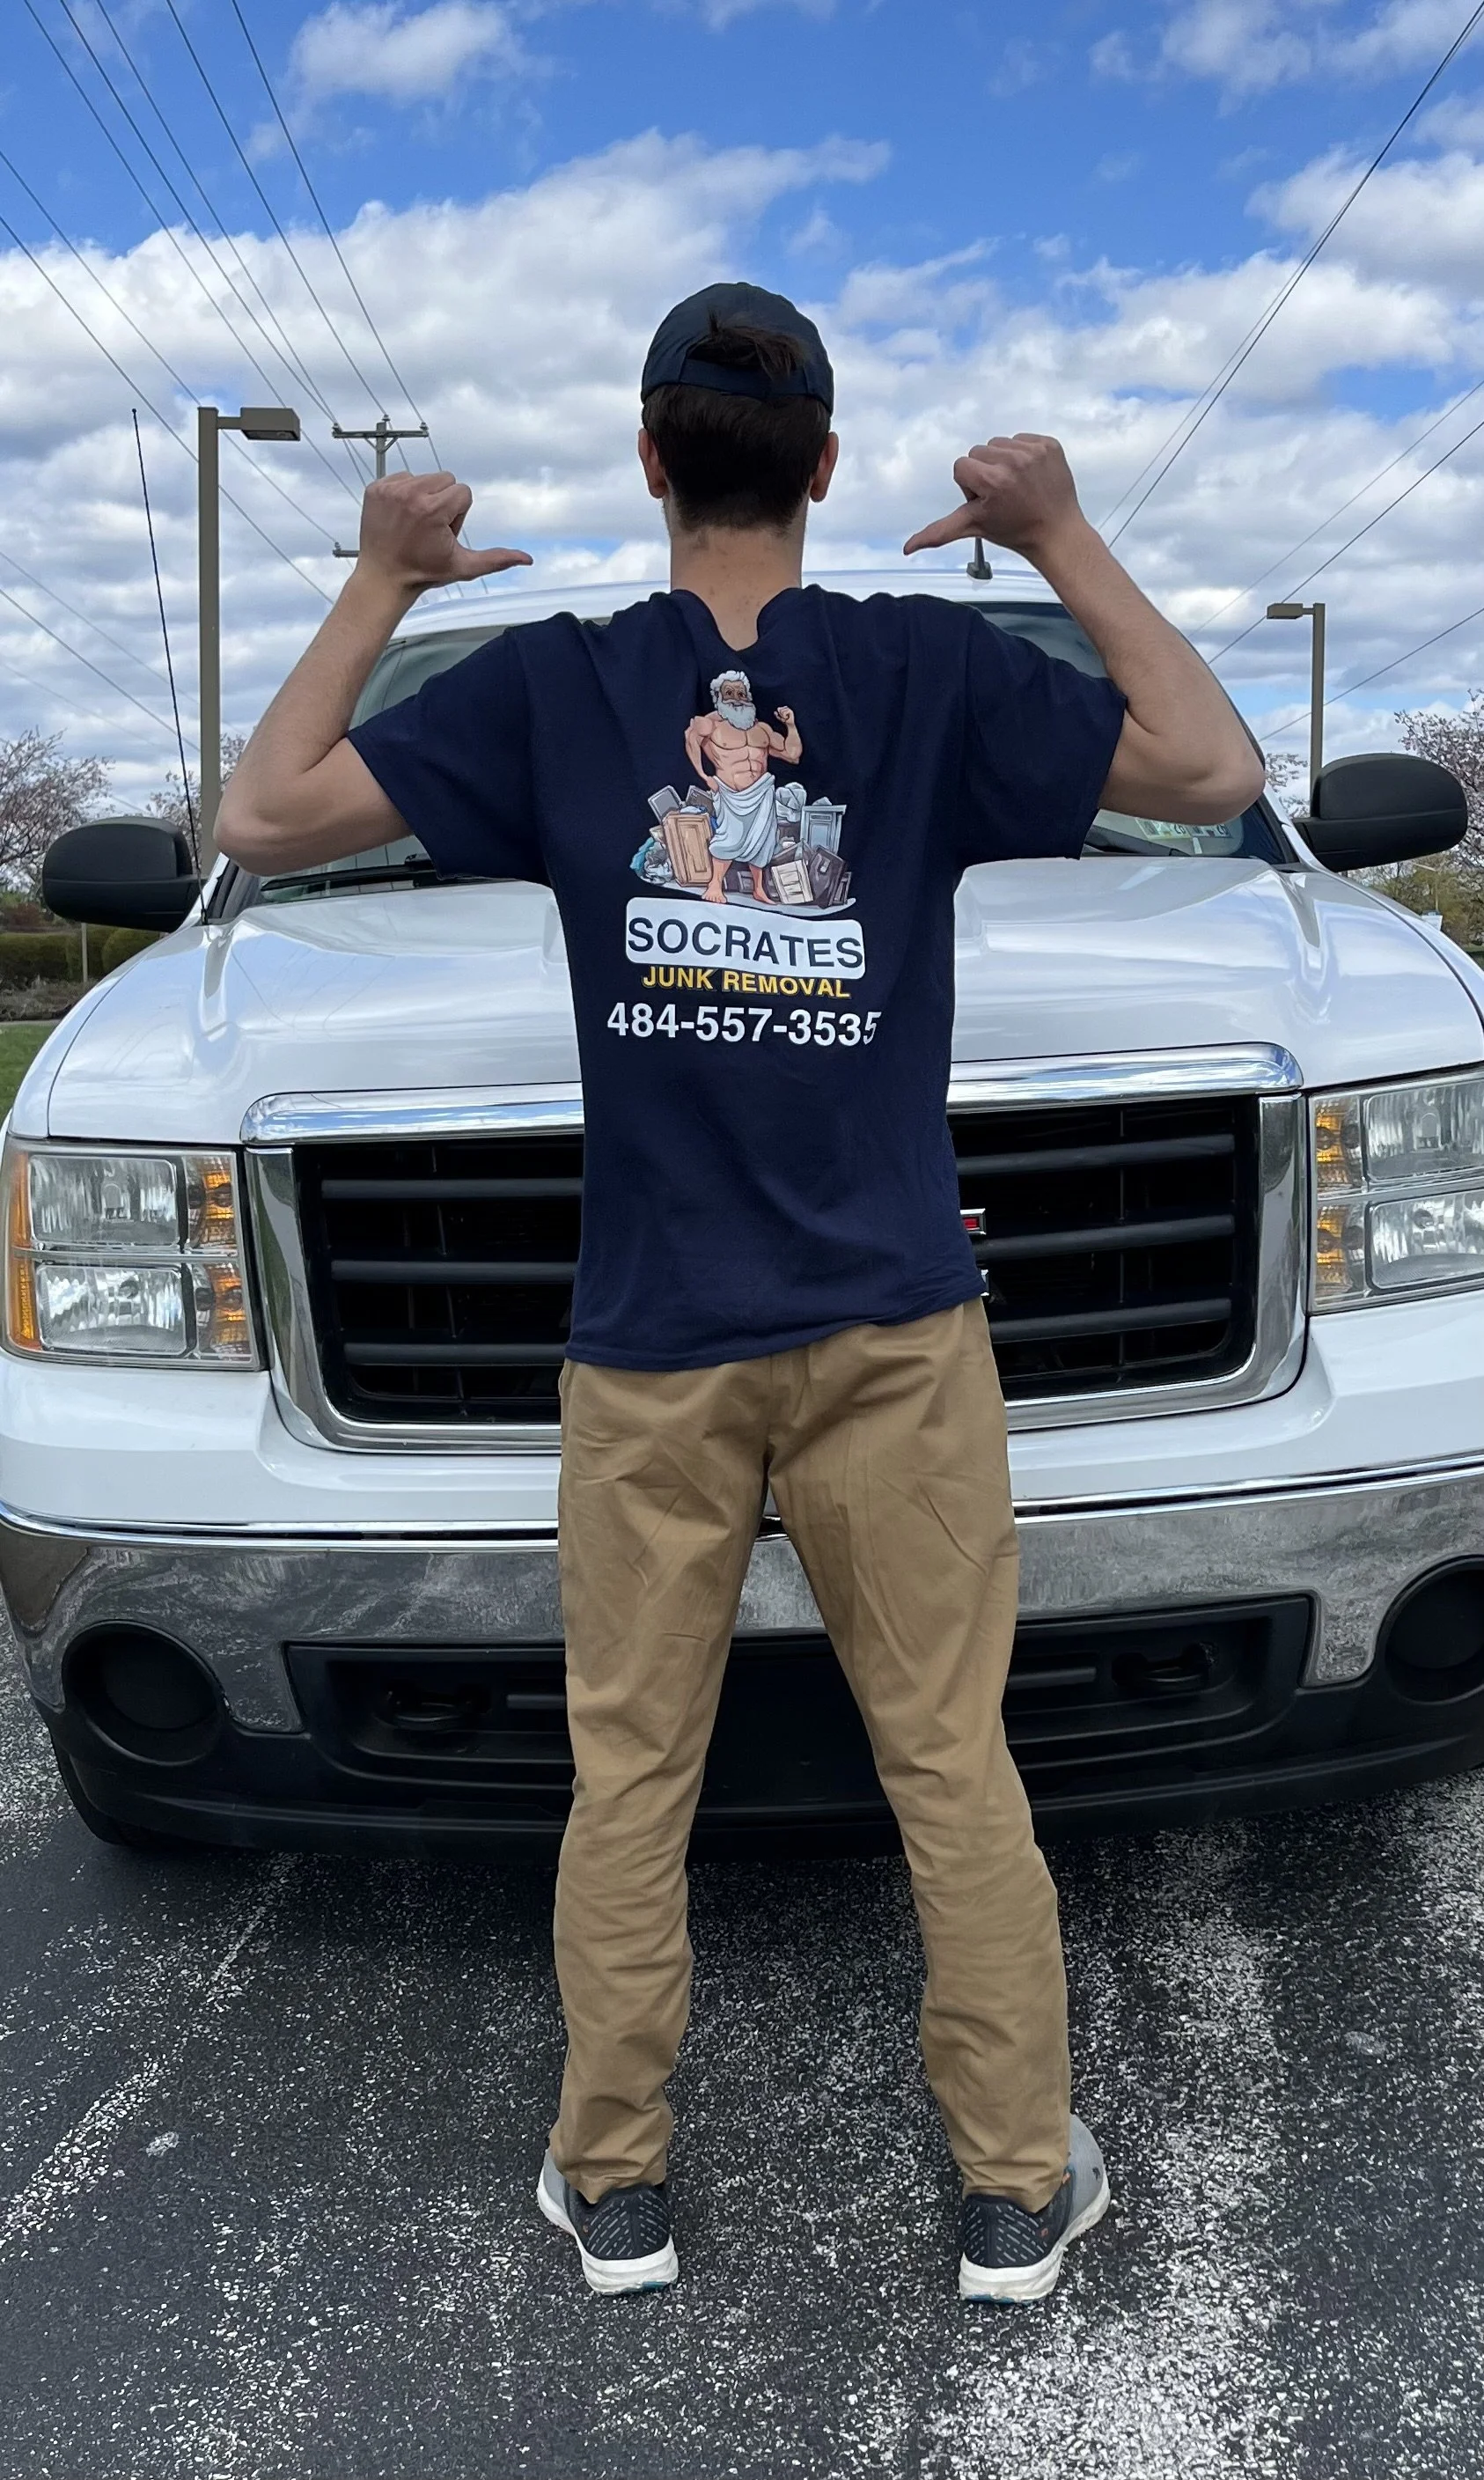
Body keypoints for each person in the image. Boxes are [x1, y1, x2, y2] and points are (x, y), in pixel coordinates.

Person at [217, 281, 1263, 2305]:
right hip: (896, 1324)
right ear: (832, 470)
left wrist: (376, 576)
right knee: (949, 1754)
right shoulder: (926, 667)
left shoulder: (556, 688)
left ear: (645, 458)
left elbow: (263, 812)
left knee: (636, 1771)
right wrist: (1055, 529)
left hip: (650, 1343)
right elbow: (1208, 763)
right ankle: (1015, 2189)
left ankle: (617, 2184)